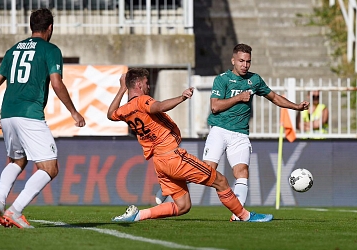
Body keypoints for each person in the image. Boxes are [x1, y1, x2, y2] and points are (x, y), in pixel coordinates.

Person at [156, 44, 310, 219]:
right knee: (207, 171)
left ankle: (238, 215)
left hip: (241, 133)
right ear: (233, 61)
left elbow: (274, 97)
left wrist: (296, 106)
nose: (245, 65)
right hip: (219, 130)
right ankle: (168, 187)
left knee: (242, 171)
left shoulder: (255, 80)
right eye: (241, 61)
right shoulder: (222, 80)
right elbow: (215, 107)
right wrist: (238, 97)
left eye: (248, 61)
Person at [107, 68, 273, 223]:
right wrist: (181, 97)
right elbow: (159, 107)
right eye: (146, 83)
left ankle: (138, 215)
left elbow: (110, 114)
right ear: (139, 84)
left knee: (183, 206)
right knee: (221, 180)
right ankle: (245, 216)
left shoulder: (125, 110)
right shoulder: (143, 100)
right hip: (172, 156)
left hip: (159, 162)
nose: (148, 86)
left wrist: (122, 89)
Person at [0, 8, 86, 228]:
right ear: (50, 28)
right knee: (50, 168)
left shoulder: (13, 50)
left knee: (17, 161)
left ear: (31, 26)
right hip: (29, 115)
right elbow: (57, 83)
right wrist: (73, 111)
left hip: (7, 114)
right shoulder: (50, 50)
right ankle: (15, 211)